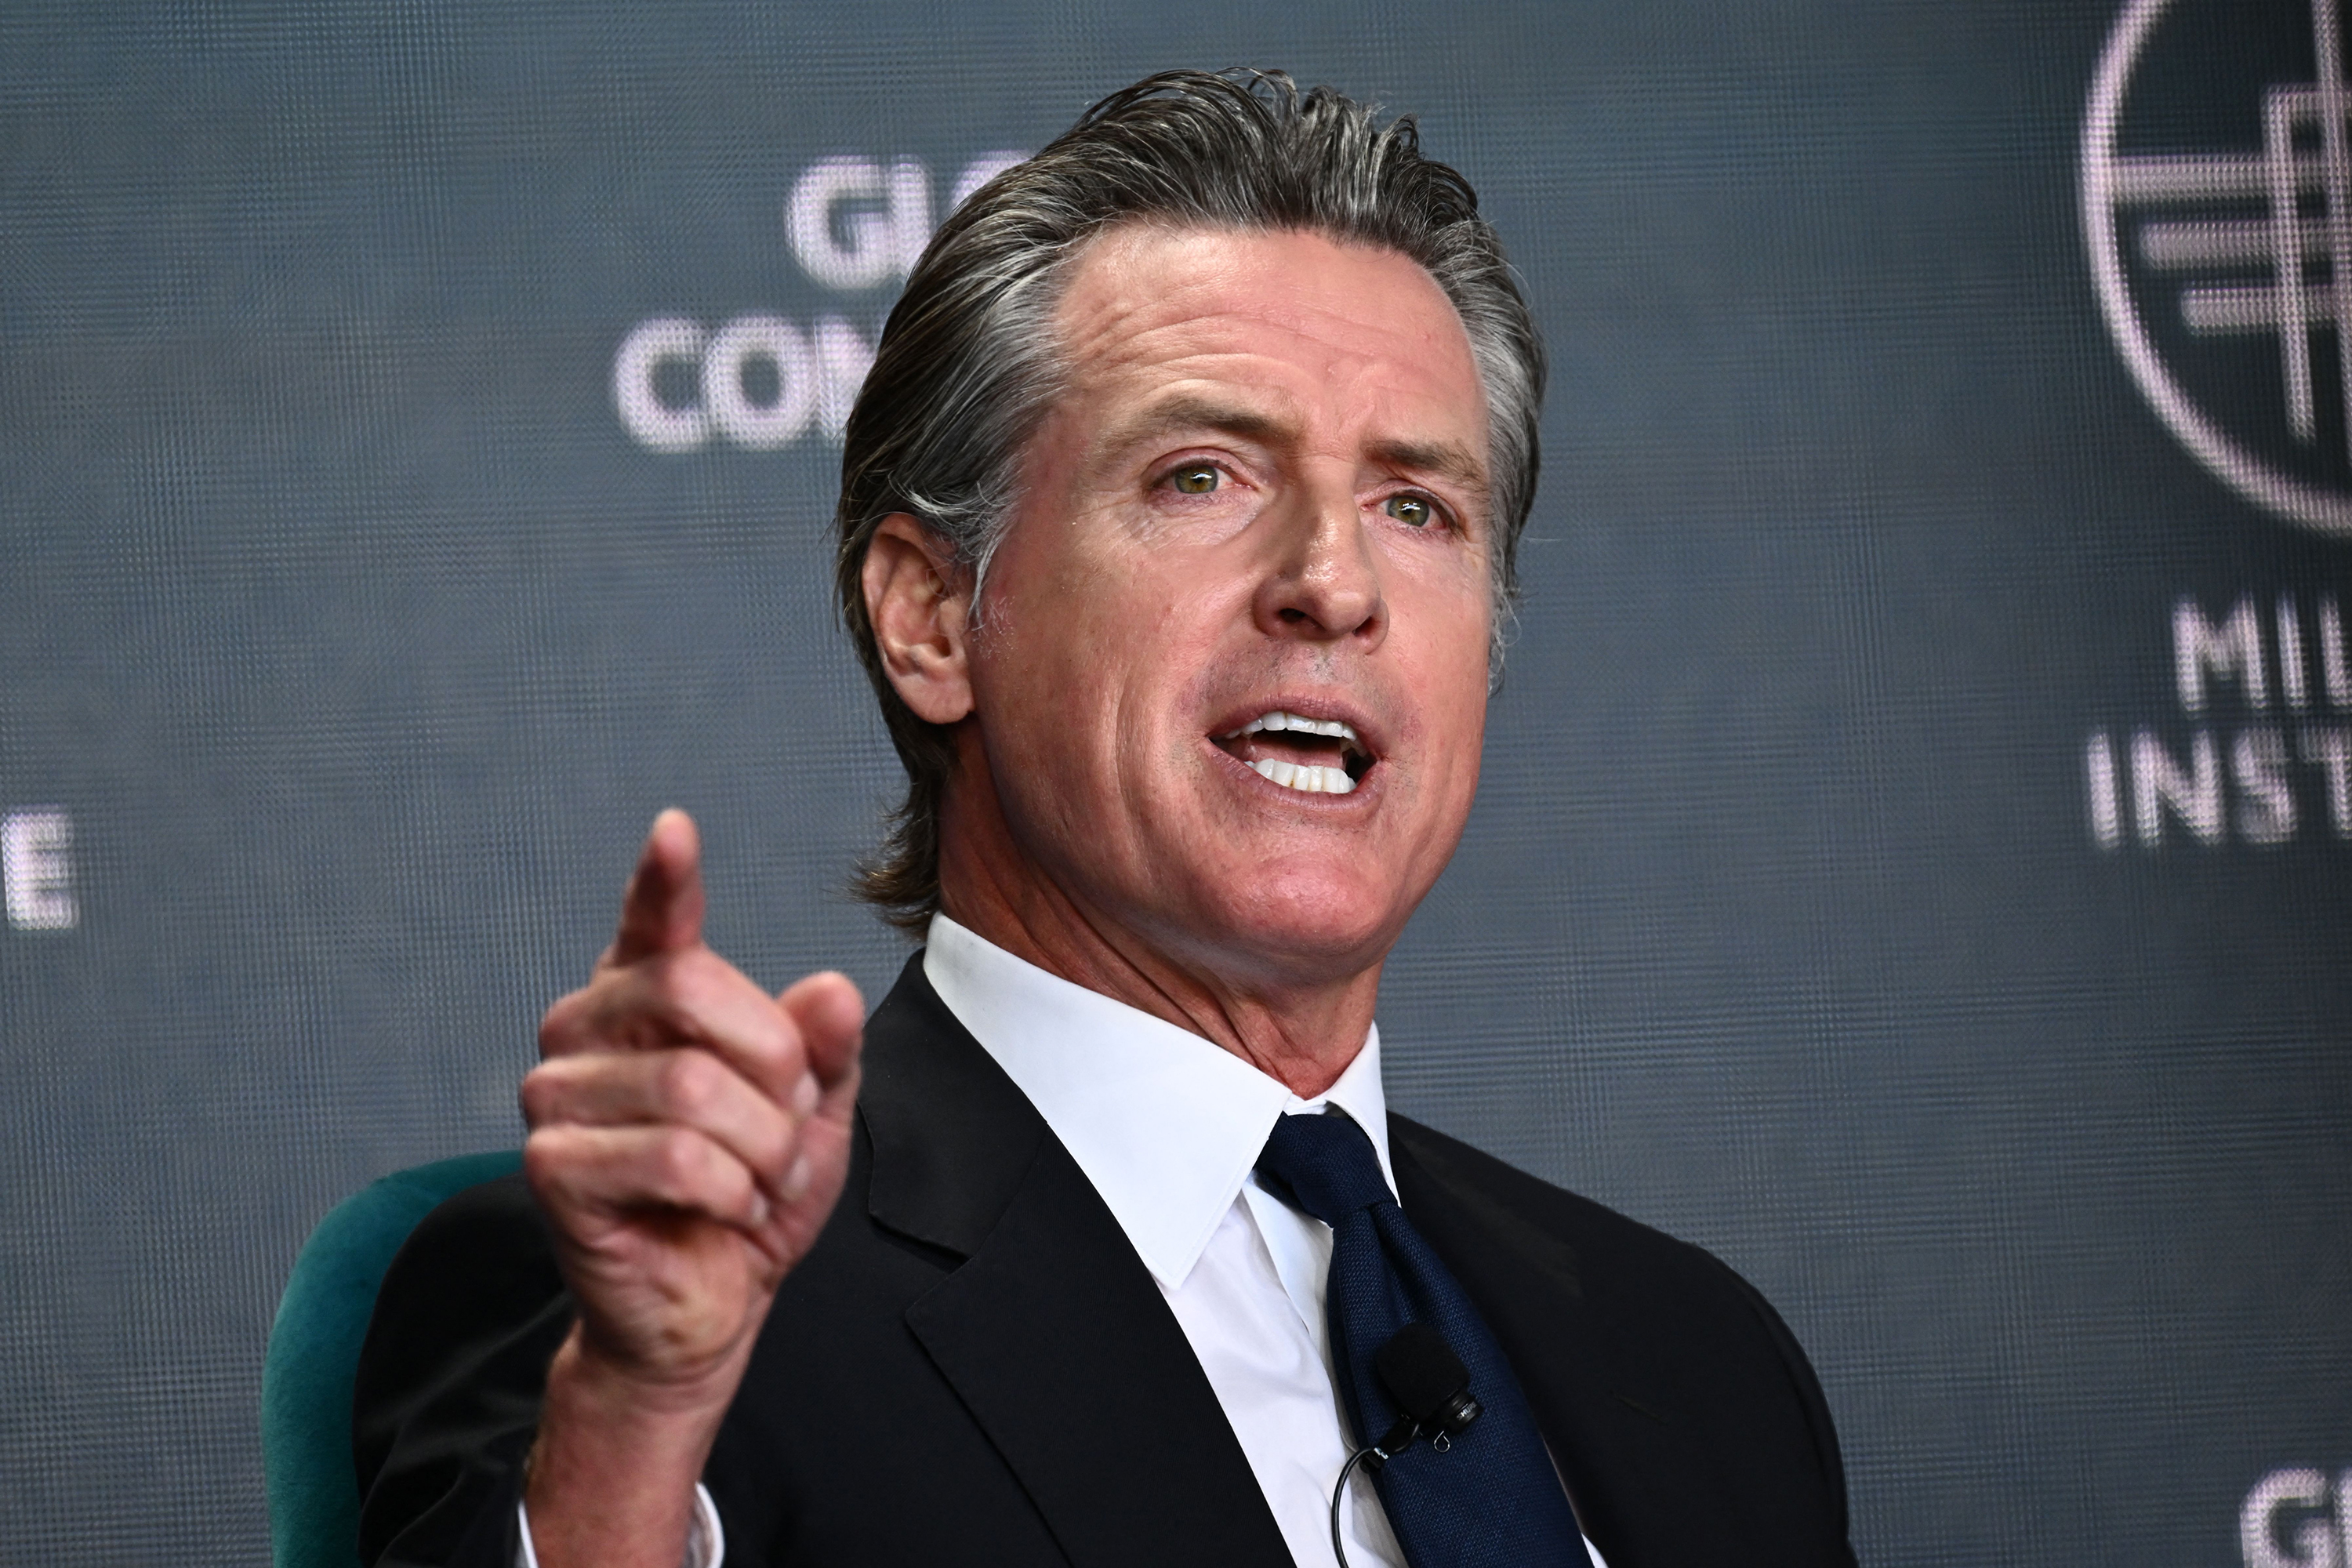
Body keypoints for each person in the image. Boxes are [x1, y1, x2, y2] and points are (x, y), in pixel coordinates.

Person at [354, 70, 1857, 1568]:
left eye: (1416, 506)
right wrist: (635, 1420)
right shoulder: (651, 1322)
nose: (1335, 583)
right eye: (1202, 476)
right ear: (934, 617)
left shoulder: (1699, 1360)